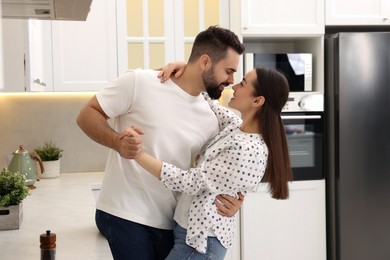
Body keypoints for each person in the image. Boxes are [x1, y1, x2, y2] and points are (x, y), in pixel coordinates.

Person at [76, 26, 245, 260]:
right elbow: (87, 114)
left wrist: (234, 201)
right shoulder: (141, 82)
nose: (231, 80)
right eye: (229, 71)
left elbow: (216, 172)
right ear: (205, 62)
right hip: (126, 212)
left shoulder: (212, 116)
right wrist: (116, 142)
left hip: (174, 222)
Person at [125, 66, 293, 259]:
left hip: (200, 243)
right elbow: (209, 103)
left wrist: (138, 155)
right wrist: (189, 70)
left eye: (243, 83)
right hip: (191, 234)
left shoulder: (247, 149)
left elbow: (191, 181)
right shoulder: (236, 127)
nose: (234, 86)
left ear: (257, 100)